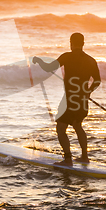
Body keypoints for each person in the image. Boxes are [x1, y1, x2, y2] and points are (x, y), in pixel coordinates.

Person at [32, 33, 101, 166]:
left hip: (70, 100)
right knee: (77, 125)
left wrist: (39, 61)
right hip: (82, 100)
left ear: (71, 43)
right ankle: (84, 157)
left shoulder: (67, 57)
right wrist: (88, 91)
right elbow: (97, 80)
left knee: (61, 128)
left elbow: (49, 68)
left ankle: (68, 159)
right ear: (83, 43)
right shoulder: (90, 60)